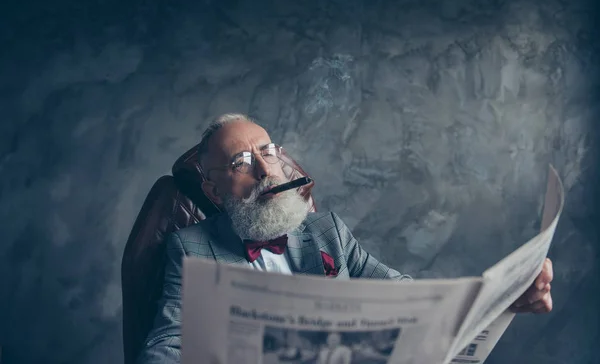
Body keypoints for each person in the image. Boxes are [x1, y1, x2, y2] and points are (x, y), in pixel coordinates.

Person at [135, 113, 554, 364]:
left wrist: (503, 296)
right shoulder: (189, 248)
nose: (265, 170)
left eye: (267, 151)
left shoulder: (327, 231)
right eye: (242, 163)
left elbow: (410, 298)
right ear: (213, 190)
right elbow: (167, 345)